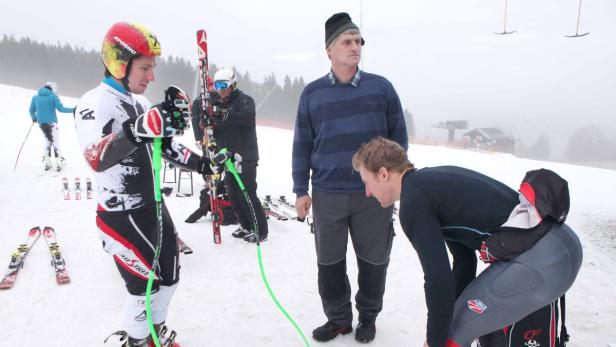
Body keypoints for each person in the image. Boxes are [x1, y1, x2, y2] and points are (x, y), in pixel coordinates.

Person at [74, 22, 232, 347]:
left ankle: (154, 333)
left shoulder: (142, 103)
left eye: (153, 68)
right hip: (120, 216)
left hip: (153, 208)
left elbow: (166, 146)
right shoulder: (94, 102)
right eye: (145, 67)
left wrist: (202, 163)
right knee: (143, 288)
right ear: (119, 62)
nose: (151, 76)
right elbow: (95, 156)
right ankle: (138, 340)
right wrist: (139, 129)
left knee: (170, 278)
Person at [351, 137, 583, 347]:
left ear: (383, 173)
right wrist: (451, 315)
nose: (367, 193)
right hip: (562, 249)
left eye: (367, 182)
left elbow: (437, 279)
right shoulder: (430, 183)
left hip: (540, 261)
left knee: (452, 334)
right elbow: (463, 259)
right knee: (474, 324)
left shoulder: (414, 202)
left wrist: (435, 340)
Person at [292, 12, 408, 343]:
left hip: (372, 195)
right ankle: (339, 319)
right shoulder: (312, 94)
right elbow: (302, 145)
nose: (355, 47)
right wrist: (301, 189)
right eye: (347, 41)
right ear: (329, 50)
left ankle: (368, 317)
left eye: (358, 41)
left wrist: (395, 184)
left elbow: (399, 142)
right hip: (327, 193)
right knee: (329, 263)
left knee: (373, 260)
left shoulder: (381, 88)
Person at [192, 68, 268, 243]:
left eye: (224, 85)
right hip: (228, 156)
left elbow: (246, 118)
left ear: (233, 84)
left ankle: (260, 230)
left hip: (245, 155)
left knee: (247, 193)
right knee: (233, 194)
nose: (220, 89)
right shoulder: (219, 103)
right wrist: (207, 123)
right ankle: (245, 225)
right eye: (218, 85)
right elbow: (217, 127)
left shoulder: (244, 101)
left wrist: (222, 114)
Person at [29, 81, 75, 171]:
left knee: (47, 142)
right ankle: (59, 163)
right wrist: (74, 110)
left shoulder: (35, 97)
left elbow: (31, 110)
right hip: (52, 124)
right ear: (52, 89)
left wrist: (34, 118)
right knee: (55, 142)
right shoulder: (53, 97)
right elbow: (61, 109)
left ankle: (47, 163)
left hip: (41, 123)